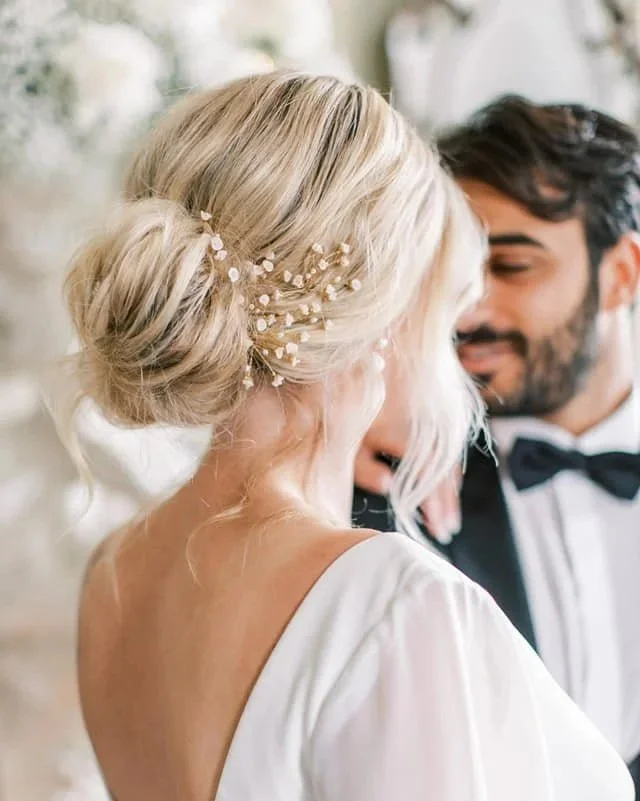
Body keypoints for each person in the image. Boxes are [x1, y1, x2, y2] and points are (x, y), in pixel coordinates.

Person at [67, 73, 632, 801]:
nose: (460, 357)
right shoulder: (399, 602)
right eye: (448, 308)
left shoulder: (113, 574)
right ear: (386, 325)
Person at [354, 95, 640, 792]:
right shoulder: (384, 475)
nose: (470, 309)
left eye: (511, 267)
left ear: (622, 273)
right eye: (450, 273)